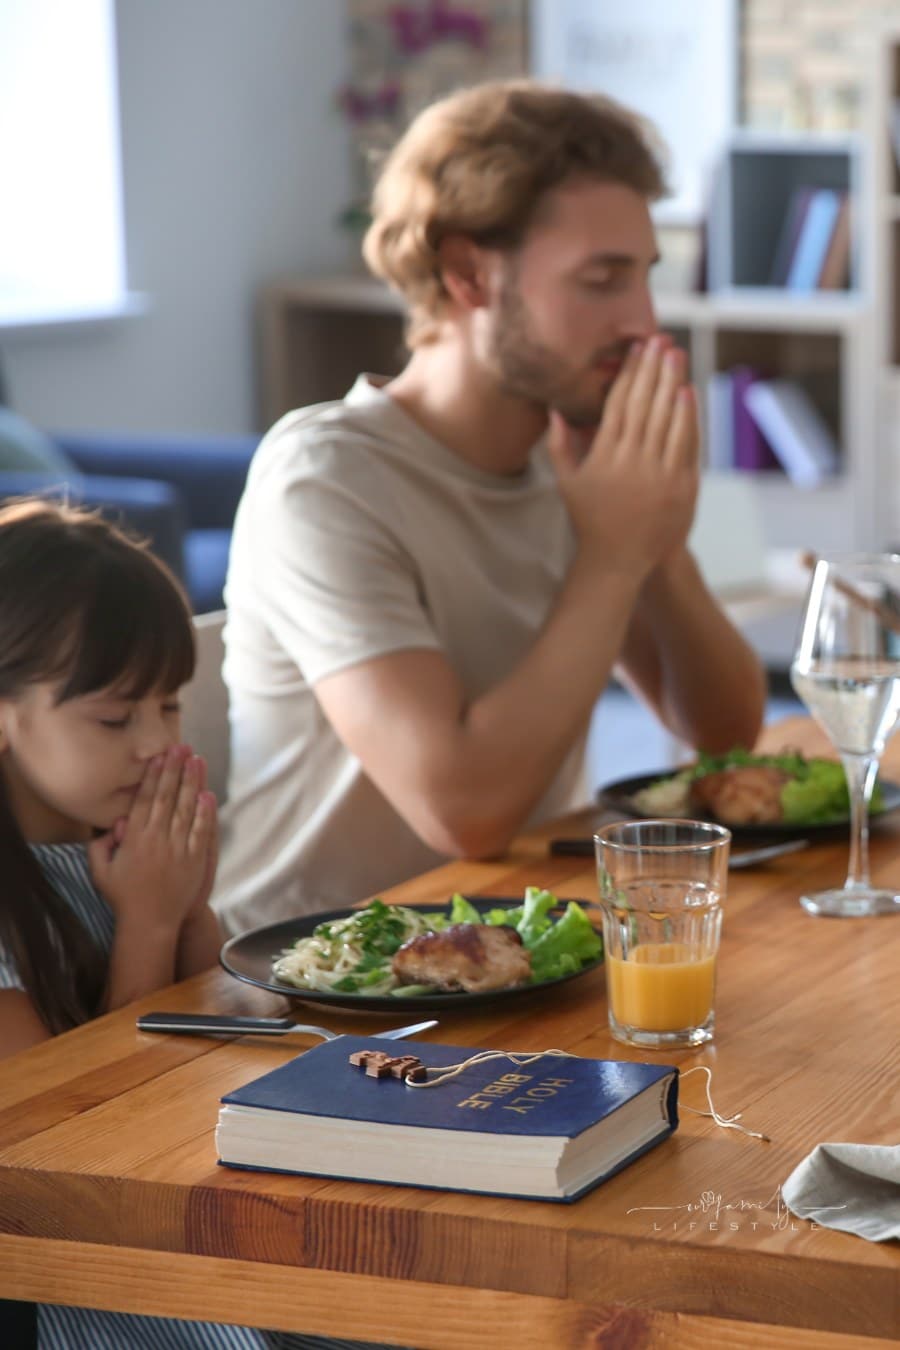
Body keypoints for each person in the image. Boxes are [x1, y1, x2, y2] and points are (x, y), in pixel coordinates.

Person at [215, 80, 767, 934]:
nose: (644, 322)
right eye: (601, 280)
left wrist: (657, 539)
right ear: (469, 272)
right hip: (309, 989)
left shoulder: (574, 460)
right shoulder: (323, 479)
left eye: (645, 278)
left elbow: (725, 735)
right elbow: (463, 810)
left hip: (509, 957)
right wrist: (614, 552)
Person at [0, 500, 386, 1350]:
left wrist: (190, 908)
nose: (155, 745)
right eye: (114, 717)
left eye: (169, 707)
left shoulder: (116, 844)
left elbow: (232, 1032)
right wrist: (147, 920)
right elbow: (71, 1148)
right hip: (101, 1287)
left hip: (218, 1213)